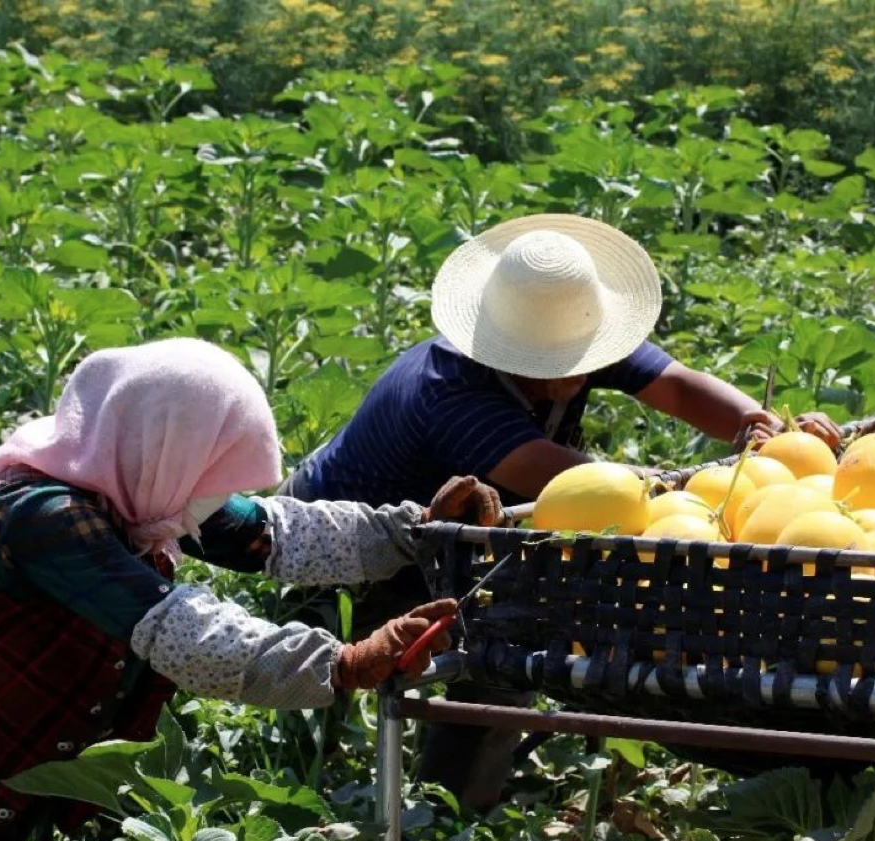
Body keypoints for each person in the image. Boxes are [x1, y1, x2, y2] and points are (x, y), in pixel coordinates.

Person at [278, 214, 840, 809]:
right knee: (351, 684)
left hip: (448, 534)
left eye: (582, 357)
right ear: (505, 346)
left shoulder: (579, 336)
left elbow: (676, 385)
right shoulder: (450, 395)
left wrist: (759, 427)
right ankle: (378, 806)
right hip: (333, 546)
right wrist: (740, 479)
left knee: (501, 652)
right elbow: (574, 482)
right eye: (551, 365)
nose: (575, 373)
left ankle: (453, 807)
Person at [0, 338, 502, 841]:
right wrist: (343, 663)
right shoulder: (40, 517)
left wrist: (417, 530)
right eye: (210, 475)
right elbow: (179, 628)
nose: (214, 499)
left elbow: (277, 531)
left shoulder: (133, 483)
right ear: (165, 448)